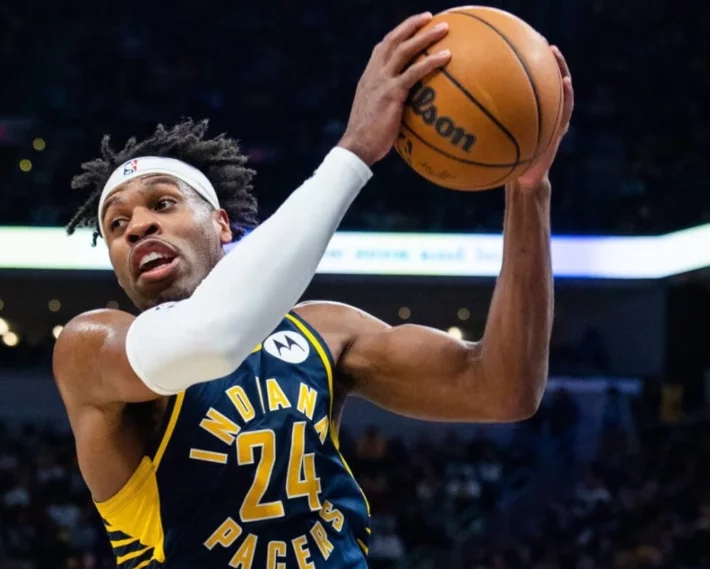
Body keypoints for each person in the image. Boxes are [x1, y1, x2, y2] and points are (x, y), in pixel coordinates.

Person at [53, 11, 575, 569]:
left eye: (162, 203)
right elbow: (210, 340)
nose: (136, 227)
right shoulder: (92, 349)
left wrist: (528, 190)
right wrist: (351, 155)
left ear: (222, 226)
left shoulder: (322, 333)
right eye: (115, 224)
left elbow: (503, 389)